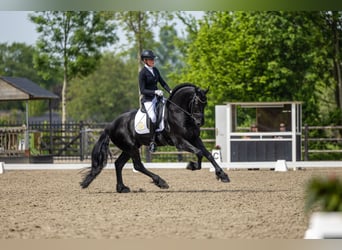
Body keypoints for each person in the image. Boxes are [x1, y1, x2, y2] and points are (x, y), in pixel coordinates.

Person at [139, 49, 172, 152]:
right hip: (148, 99)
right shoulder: (142, 73)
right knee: (153, 117)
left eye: (153, 59)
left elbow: (163, 82)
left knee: (169, 109)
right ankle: (152, 141)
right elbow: (143, 90)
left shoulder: (155, 70)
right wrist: (154, 92)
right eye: (151, 59)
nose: (153, 61)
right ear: (145, 61)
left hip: (157, 98)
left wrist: (171, 91)